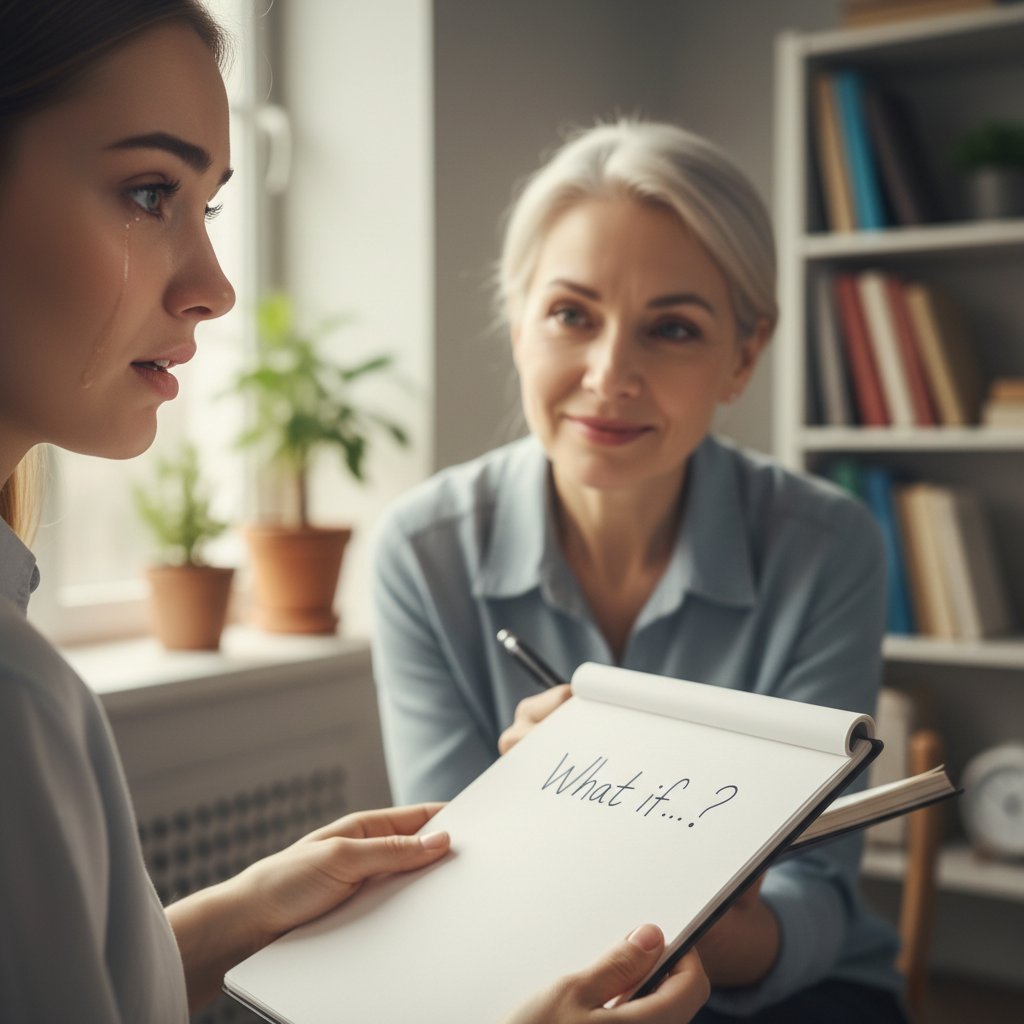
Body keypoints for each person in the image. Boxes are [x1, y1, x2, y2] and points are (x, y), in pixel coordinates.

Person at [0, 4, 710, 1022]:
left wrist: (247, 907)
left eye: (206, 206)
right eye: (149, 192)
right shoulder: (16, 695)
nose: (216, 287)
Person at [372, 120, 908, 1022]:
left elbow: (810, 894)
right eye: (571, 314)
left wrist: (701, 912)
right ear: (517, 321)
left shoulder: (830, 547)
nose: (610, 374)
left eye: (672, 328)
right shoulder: (421, 552)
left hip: (772, 993)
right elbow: (442, 872)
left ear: (743, 355)